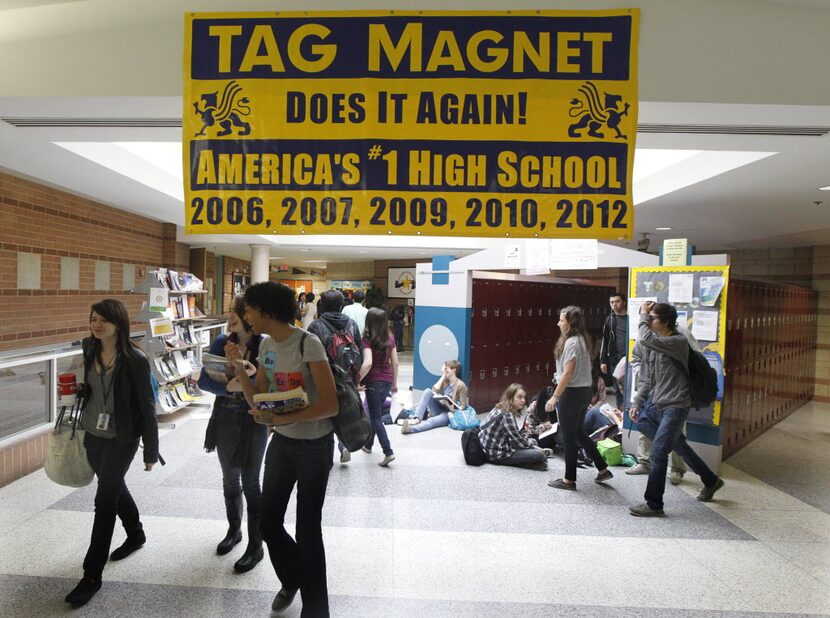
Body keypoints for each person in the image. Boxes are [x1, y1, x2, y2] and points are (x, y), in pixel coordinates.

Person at [228, 282, 338, 616]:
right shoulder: (265, 347)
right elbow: (258, 397)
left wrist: (283, 416)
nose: (245, 315)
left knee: (308, 529)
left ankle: (316, 608)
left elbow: (331, 404)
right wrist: (240, 371)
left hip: (315, 447)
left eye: (248, 309)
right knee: (268, 523)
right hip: (282, 444)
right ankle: (293, 578)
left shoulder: (309, 343)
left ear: (266, 311)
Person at [64, 299, 159, 607]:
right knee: (114, 487)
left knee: (104, 500)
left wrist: (151, 451)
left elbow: (146, 407)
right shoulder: (89, 348)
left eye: (103, 319)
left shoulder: (135, 360)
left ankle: (91, 576)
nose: (97, 324)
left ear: (119, 323)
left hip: (122, 438)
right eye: (93, 318)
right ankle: (136, 533)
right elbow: (92, 387)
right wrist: (77, 391)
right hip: (92, 434)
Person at [628, 301, 725, 517]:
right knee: (678, 445)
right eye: (649, 317)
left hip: (676, 405)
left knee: (659, 452)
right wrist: (637, 402)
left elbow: (644, 337)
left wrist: (643, 314)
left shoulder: (677, 341)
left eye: (652, 318)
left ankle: (654, 504)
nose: (649, 320)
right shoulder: (654, 345)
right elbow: (645, 378)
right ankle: (711, 480)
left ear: (665, 321)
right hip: (657, 404)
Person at [197, 296, 266, 573]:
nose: (231, 317)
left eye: (237, 312)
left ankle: (256, 545)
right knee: (229, 478)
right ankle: (234, 531)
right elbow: (203, 380)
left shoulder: (265, 344)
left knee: (251, 481)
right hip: (225, 417)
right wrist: (228, 389)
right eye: (230, 312)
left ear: (250, 316)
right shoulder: (221, 343)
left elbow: (269, 383)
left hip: (253, 420)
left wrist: (247, 378)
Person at [545, 306, 613, 491]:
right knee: (578, 432)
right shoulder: (581, 340)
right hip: (583, 392)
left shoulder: (572, 343)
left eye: (562, 320)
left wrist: (554, 397)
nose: (558, 323)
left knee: (568, 436)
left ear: (571, 323)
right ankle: (602, 468)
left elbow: (568, 373)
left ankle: (569, 479)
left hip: (572, 393)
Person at [307, 289, 363, 464]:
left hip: (325, 375)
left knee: (326, 414)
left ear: (322, 305)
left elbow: (309, 353)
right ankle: (344, 444)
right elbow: (359, 349)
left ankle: (328, 453)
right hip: (348, 376)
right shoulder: (352, 324)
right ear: (341, 305)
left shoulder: (316, 326)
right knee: (345, 411)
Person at [625, 339, 687, 484]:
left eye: (651, 317)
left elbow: (692, 363)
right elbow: (636, 359)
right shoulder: (644, 338)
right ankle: (644, 462)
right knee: (646, 424)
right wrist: (644, 374)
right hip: (651, 391)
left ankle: (677, 468)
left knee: (676, 431)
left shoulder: (681, 337)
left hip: (674, 393)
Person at [358, 307, 398, 466]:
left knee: (375, 418)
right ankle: (368, 445)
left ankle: (388, 452)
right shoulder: (390, 338)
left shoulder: (367, 339)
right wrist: (394, 383)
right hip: (387, 381)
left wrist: (356, 380)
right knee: (376, 415)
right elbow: (394, 362)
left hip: (373, 382)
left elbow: (367, 363)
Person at [478, 384, 548, 470]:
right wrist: (538, 449)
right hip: (497, 455)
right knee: (540, 455)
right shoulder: (507, 415)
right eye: (519, 397)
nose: (523, 401)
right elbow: (519, 442)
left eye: (524, 397)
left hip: (489, 448)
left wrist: (531, 444)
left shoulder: (499, 407)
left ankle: (530, 461)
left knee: (532, 441)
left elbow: (515, 436)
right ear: (510, 398)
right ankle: (523, 463)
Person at [400, 360, 468, 434]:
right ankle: (417, 419)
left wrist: (451, 405)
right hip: (439, 408)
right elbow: (433, 390)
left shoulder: (461, 385)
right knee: (428, 391)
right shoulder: (446, 380)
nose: (444, 371)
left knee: (431, 421)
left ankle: (410, 429)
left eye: (446, 369)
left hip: (448, 413)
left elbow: (463, 406)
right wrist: (443, 376)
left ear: (454, 370)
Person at [599, 292, 628, 407]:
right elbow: (604, 341)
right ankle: (620, 413)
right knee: (617, 389)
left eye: (617, 302)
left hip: (628, 358)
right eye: (612, 302)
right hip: (614, 360)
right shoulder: (609, 320)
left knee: (629, 388)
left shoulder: (630, 318)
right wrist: (603, 361)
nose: (614, 305)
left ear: (624, 302)